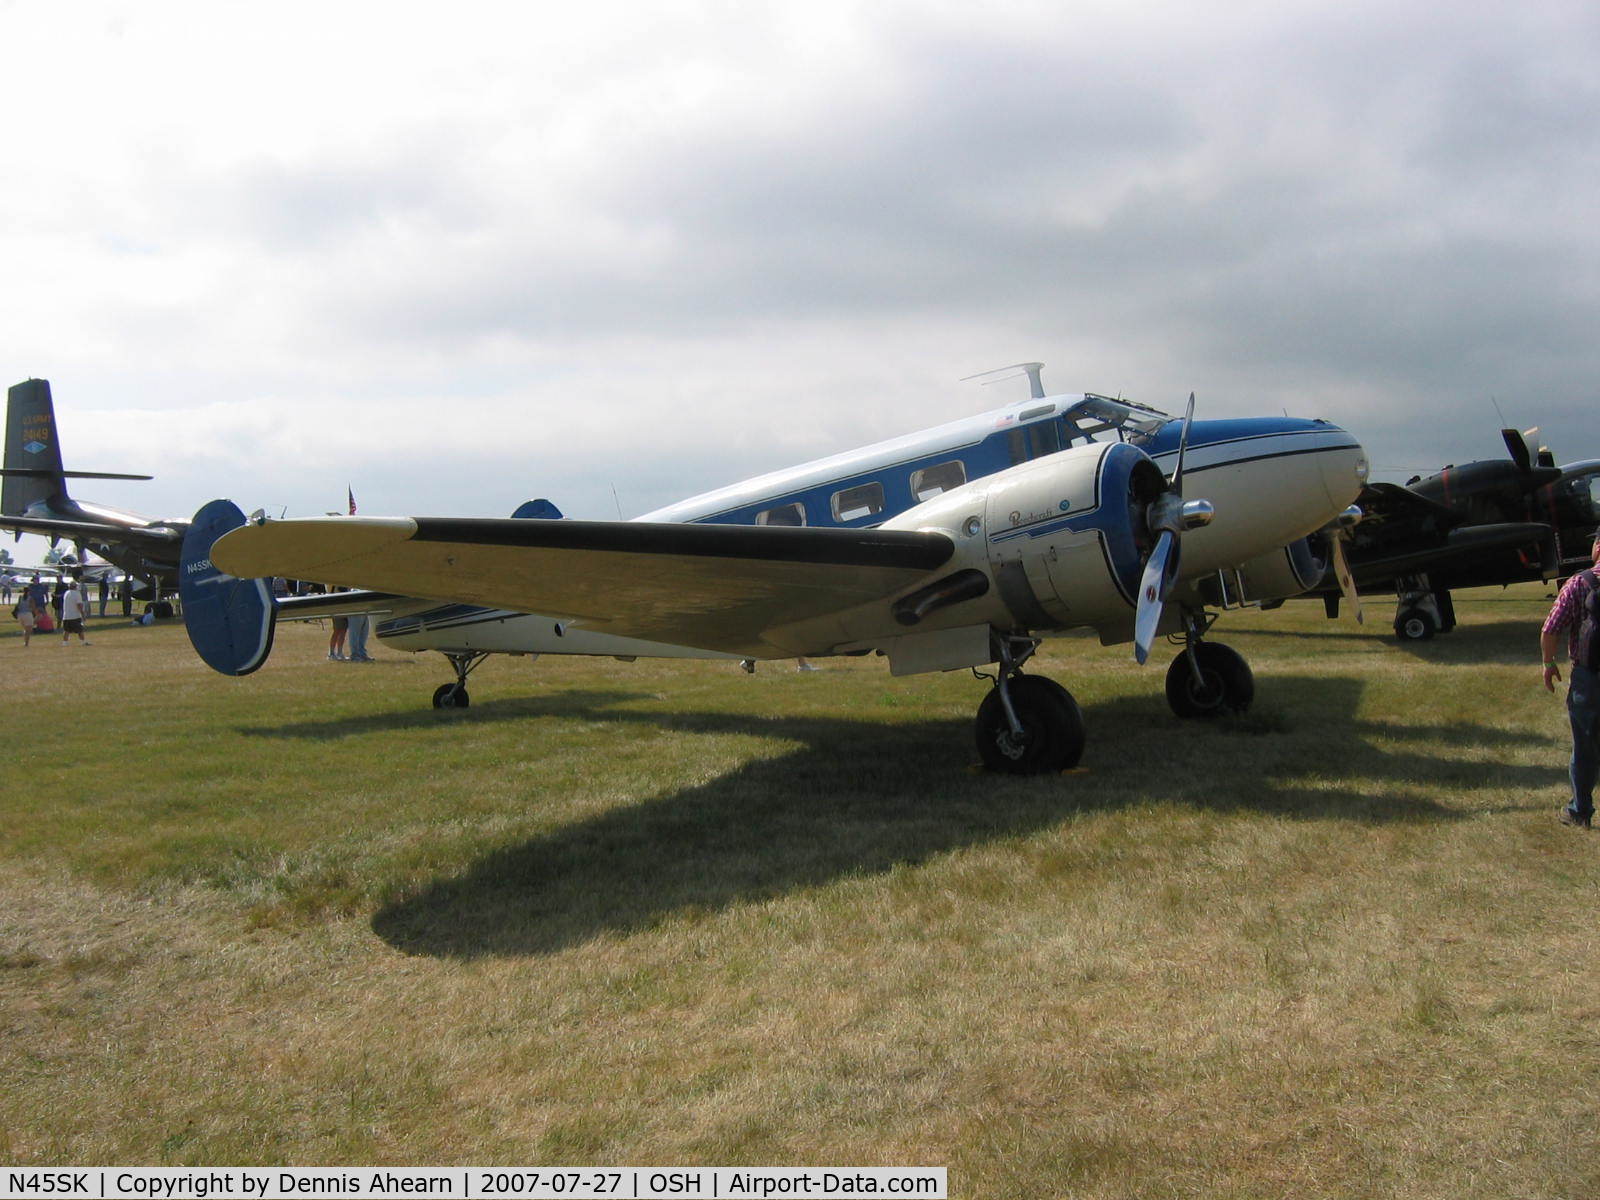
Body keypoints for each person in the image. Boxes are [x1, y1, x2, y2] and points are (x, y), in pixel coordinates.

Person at [1541, 529, 1600, 828]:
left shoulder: (1579, 583)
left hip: (1588, 677)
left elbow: (1550, 629)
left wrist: (1549, 663)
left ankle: (1580, 811)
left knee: (1585, 747)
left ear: (1599, 547)